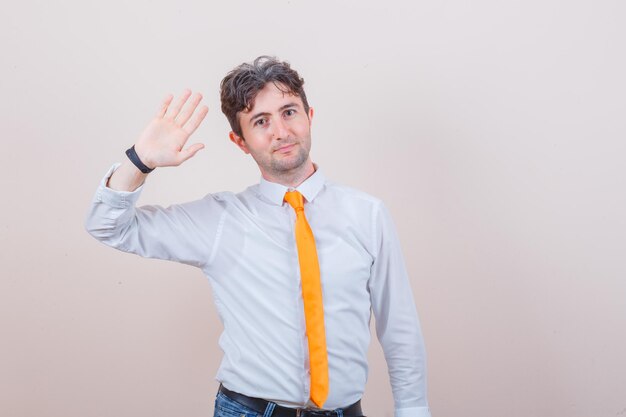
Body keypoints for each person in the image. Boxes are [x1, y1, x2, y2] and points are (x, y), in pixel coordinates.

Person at [85, 56, 431, 417]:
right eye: (261, 121)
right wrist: (140, 161)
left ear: (309, 116)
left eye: (289, 112)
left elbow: (399, 327)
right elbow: (108, 225)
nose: (281, 132)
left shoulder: (367, 214)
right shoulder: (219, 220)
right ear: (240, 141)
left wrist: (413, 410)